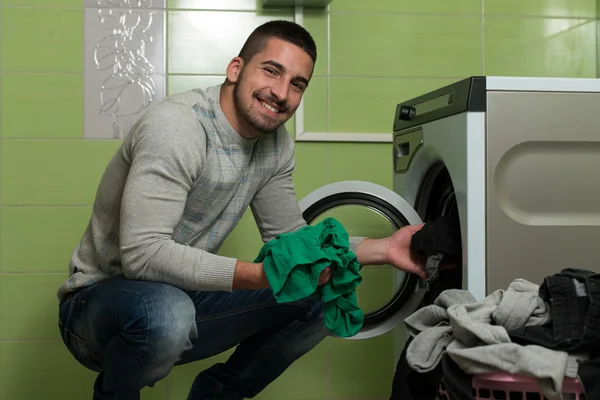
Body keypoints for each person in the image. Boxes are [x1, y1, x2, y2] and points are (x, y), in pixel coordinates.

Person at [56, 20, 427, 400]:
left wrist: (383, 249)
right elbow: (142, 256)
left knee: (315, 293)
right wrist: (263, 275)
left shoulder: (275, 145)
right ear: (236, 69)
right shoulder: (178, 127)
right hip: (97, 307)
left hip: (181, 300)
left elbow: (292, 242)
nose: (281, 93)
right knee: (166, 313)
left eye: (297, 84)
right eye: (271, 70)